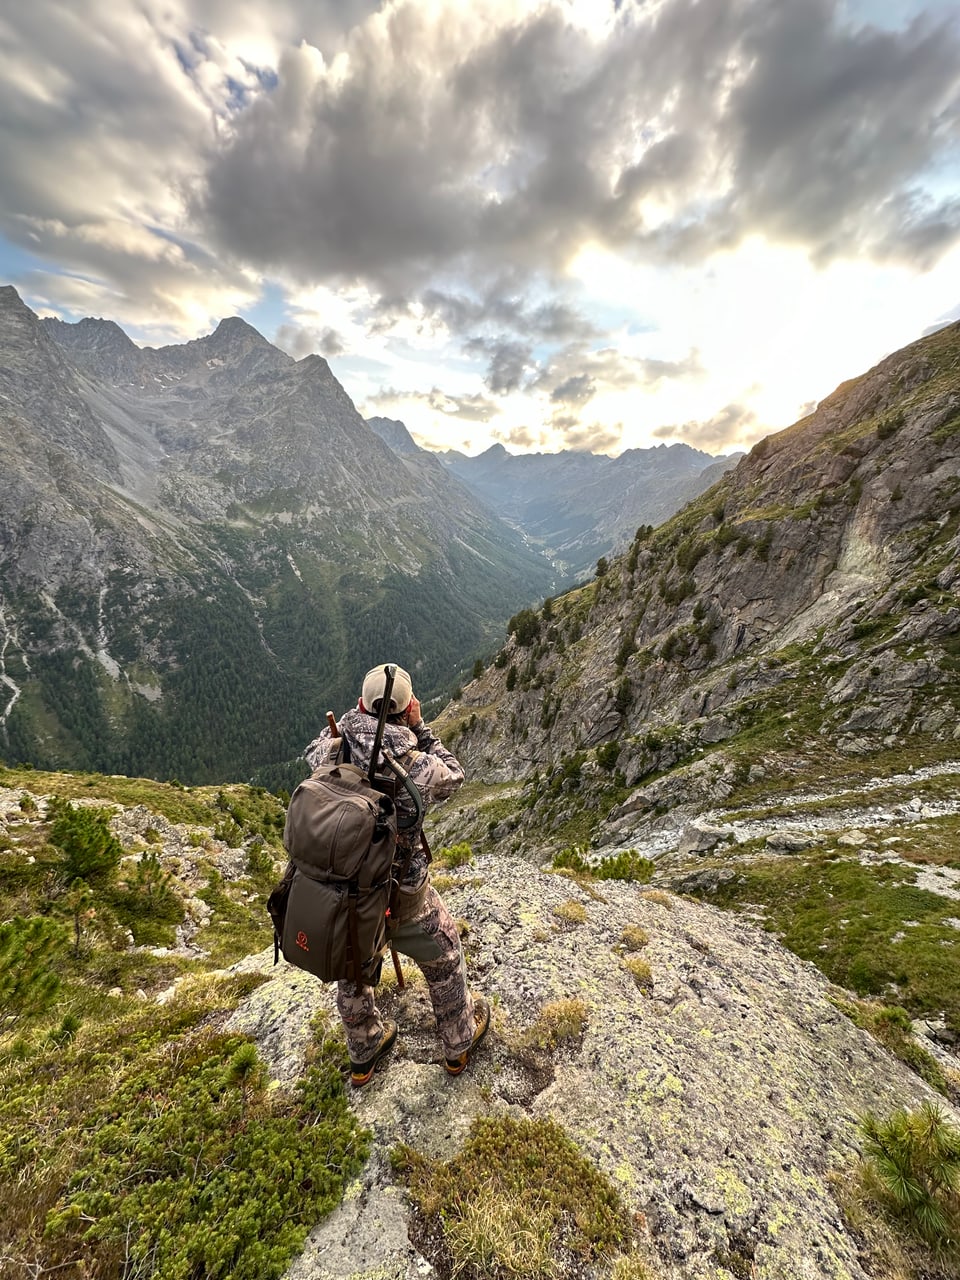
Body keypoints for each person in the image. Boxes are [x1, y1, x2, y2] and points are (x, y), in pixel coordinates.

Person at [304, 663, 489, 1088]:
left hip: (343, 891)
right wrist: (421, 729)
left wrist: (344, 730)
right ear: (407, 711)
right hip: (401, 892)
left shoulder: (329, 750)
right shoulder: (418, 767)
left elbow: (314, 751)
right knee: (444, 952)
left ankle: (364, 1051)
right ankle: (458, 1043)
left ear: (360, 705)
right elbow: (455, 774)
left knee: (354, 957)